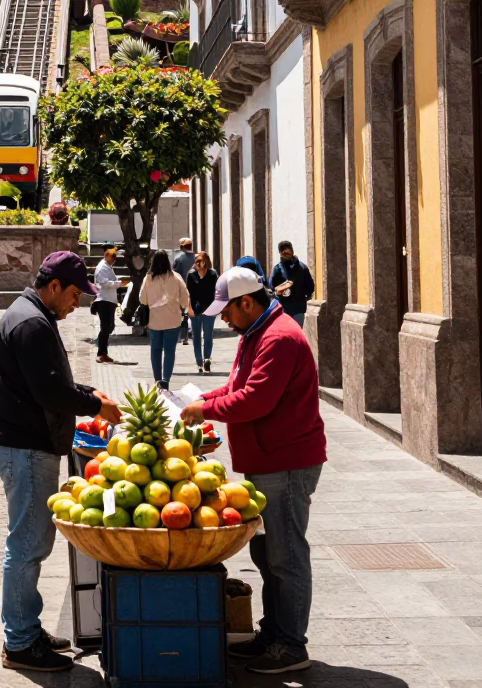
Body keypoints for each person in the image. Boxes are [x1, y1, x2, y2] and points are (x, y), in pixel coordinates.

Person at [180, 266, 326, 676]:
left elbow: (255, 400)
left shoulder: (278, 338)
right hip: (268, 461)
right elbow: (236, 386)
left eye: (227, 310)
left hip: (286, 463)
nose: (223, 318)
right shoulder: (257, 333)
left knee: (287, 557)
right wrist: (198, 398)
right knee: (267, 554)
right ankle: (274, 633)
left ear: (248, 302)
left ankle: (291, 646)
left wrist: (203, 410)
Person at [0, 251, 121, 673]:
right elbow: (50, 392)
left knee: (31, 543)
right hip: (27, 446)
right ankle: (21, 642)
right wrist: (94, 406)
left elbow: (50, 380)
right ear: (53, 287)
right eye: (73, 294)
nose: (76, 303)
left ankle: (26, 626)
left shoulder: (32, 316)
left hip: (29, 443)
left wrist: (89, 394)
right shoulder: (31, 323)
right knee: (27, 546)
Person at [139, 249, 192, 390]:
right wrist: (181, 305)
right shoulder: (175, 277)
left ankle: (157, 380)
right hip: (172, 320)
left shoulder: (148, 278)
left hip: (154, 321)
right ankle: (166, 379)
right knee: (169, 350)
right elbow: (185, 298)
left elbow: (142, 299)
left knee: (155, 350)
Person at [185, 251, 218, 373]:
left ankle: (207, 359)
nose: (198, 263)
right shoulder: (191, 275)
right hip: (195, 309)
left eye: (200, 260)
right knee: (196, 336)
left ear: (206, 261)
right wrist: (188, 308)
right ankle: (199, 361)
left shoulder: (212, 274)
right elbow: (188, 293)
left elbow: (217, 291)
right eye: (196, 260)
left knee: (208, 335)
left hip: (209, 309)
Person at [269, 241, 314, 327]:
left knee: (288, 333)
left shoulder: (279, 268)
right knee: (295, 332)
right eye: (284, 252)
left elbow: (271, 288)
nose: (285, 254)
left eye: (287, 251)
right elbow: (310, 288)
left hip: (291, 309)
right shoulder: (278, 269)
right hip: (289, 308)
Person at [92, 247, 120, 364]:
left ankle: (103, 350)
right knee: (105, 326)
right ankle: (101, 352)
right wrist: (117, 283)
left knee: (109, 326)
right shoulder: (102, 268)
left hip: (109, 300)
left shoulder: (108, 266)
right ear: (106, 256)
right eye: (111, 259)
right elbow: (103, 283)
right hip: (103, 300)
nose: (113, 261)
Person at [173, 239, 196, 345]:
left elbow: (174, 274)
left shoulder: (179, 258)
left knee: (181, 314)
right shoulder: (197, 258)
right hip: (195, 290)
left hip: (182, 289)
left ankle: (182, 337)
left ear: (182, 247)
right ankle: (193, 335)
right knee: (192, 313)